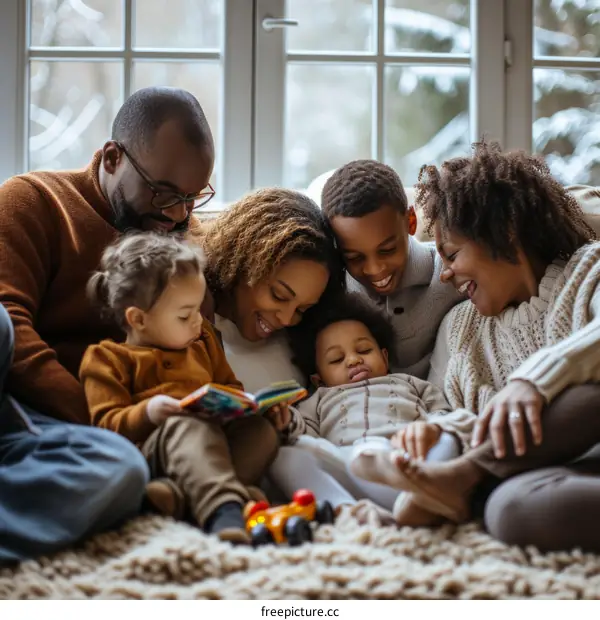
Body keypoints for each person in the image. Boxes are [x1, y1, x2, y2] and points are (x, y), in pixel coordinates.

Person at [351, 140, 600, 552]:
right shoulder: (460, 330)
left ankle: (465, 475)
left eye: (451, 255)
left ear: (503, 234)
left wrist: (533, 382)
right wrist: (434, 429)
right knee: (508, 511)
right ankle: (459, 485)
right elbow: (454, 414)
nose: (444, 275)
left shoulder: (589, 270)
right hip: (573, 473)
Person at [0, 85, 215, 562]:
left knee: (122, 473)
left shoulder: (179, 243)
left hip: (74, 440)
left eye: (192, 198)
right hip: (28, 400)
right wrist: (103, 417)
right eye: (163, 193)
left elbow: (197, 352)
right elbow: (14, 328)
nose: (177, 215)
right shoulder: (32, 201)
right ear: (113, 157)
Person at [80, 233, 278, 544]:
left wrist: (248, 405)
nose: (199, 321)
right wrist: (147, 412)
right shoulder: (107, 359)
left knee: (260, 432)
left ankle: (179, 499)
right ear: (138, 319)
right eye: (185, 315)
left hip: (214, 444)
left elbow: (229, 386)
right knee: (188, 425)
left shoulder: (204, 343)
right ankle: (225, 511)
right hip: (155, 454)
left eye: (199, 309)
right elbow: (105, 426)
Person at [267, 292, 471, 518]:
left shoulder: (412, 383)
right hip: (348, 465)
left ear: (384, 358)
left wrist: (430, 430)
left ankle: (425, 492)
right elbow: (303, 432)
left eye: (364, 350)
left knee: (449, 438)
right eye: (336, 359)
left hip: (407, 459)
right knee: (285, 457)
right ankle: (346, 509)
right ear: (319, 379)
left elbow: (442, 413)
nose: (353, 360)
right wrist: (285, 418)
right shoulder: (319, 398)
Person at [321, 160, 463, 380]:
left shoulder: (451, 272)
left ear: (411, 222)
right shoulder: (333, 293)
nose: (375, 269)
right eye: (354, 257)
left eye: (387, 250)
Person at [199, 187, 345, 394]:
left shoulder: (303, 341)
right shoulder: (190, 322)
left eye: (301, 310)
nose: (285, 319)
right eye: (279, 296)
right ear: (246, 262)